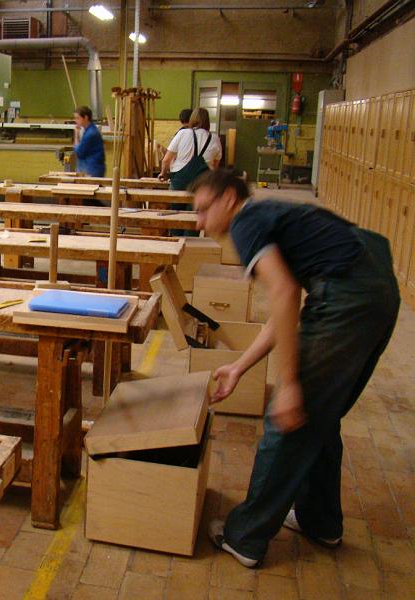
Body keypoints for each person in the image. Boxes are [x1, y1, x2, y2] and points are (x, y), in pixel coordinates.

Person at [190, 169, 399, 568]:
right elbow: (287, 304)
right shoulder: (272, 215)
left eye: (202, 210)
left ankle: (245, 537)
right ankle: (320, 521)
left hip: (349, 295)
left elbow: (285, 293)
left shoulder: (246, 223)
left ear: (229, 199)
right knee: (319, 413)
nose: (198, 222)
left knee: (287, 420)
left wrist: (288, 384)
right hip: (376, 288)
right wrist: (239, 367)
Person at [160, 107, 222, 191]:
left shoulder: (182, 133)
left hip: (180, 180)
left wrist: (163, 173)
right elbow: (215, 166)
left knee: (173, 197)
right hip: (203, 182)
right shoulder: (215, 138)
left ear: (191, 119)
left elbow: (166, 160)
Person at [73, 105, 105, 178]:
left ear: (86, 117)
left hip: (91, 170)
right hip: (91, 168)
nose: (75, 120)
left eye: (78, 118)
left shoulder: (90, 134)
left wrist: (76, 136)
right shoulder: (90, 131)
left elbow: (79, 152)